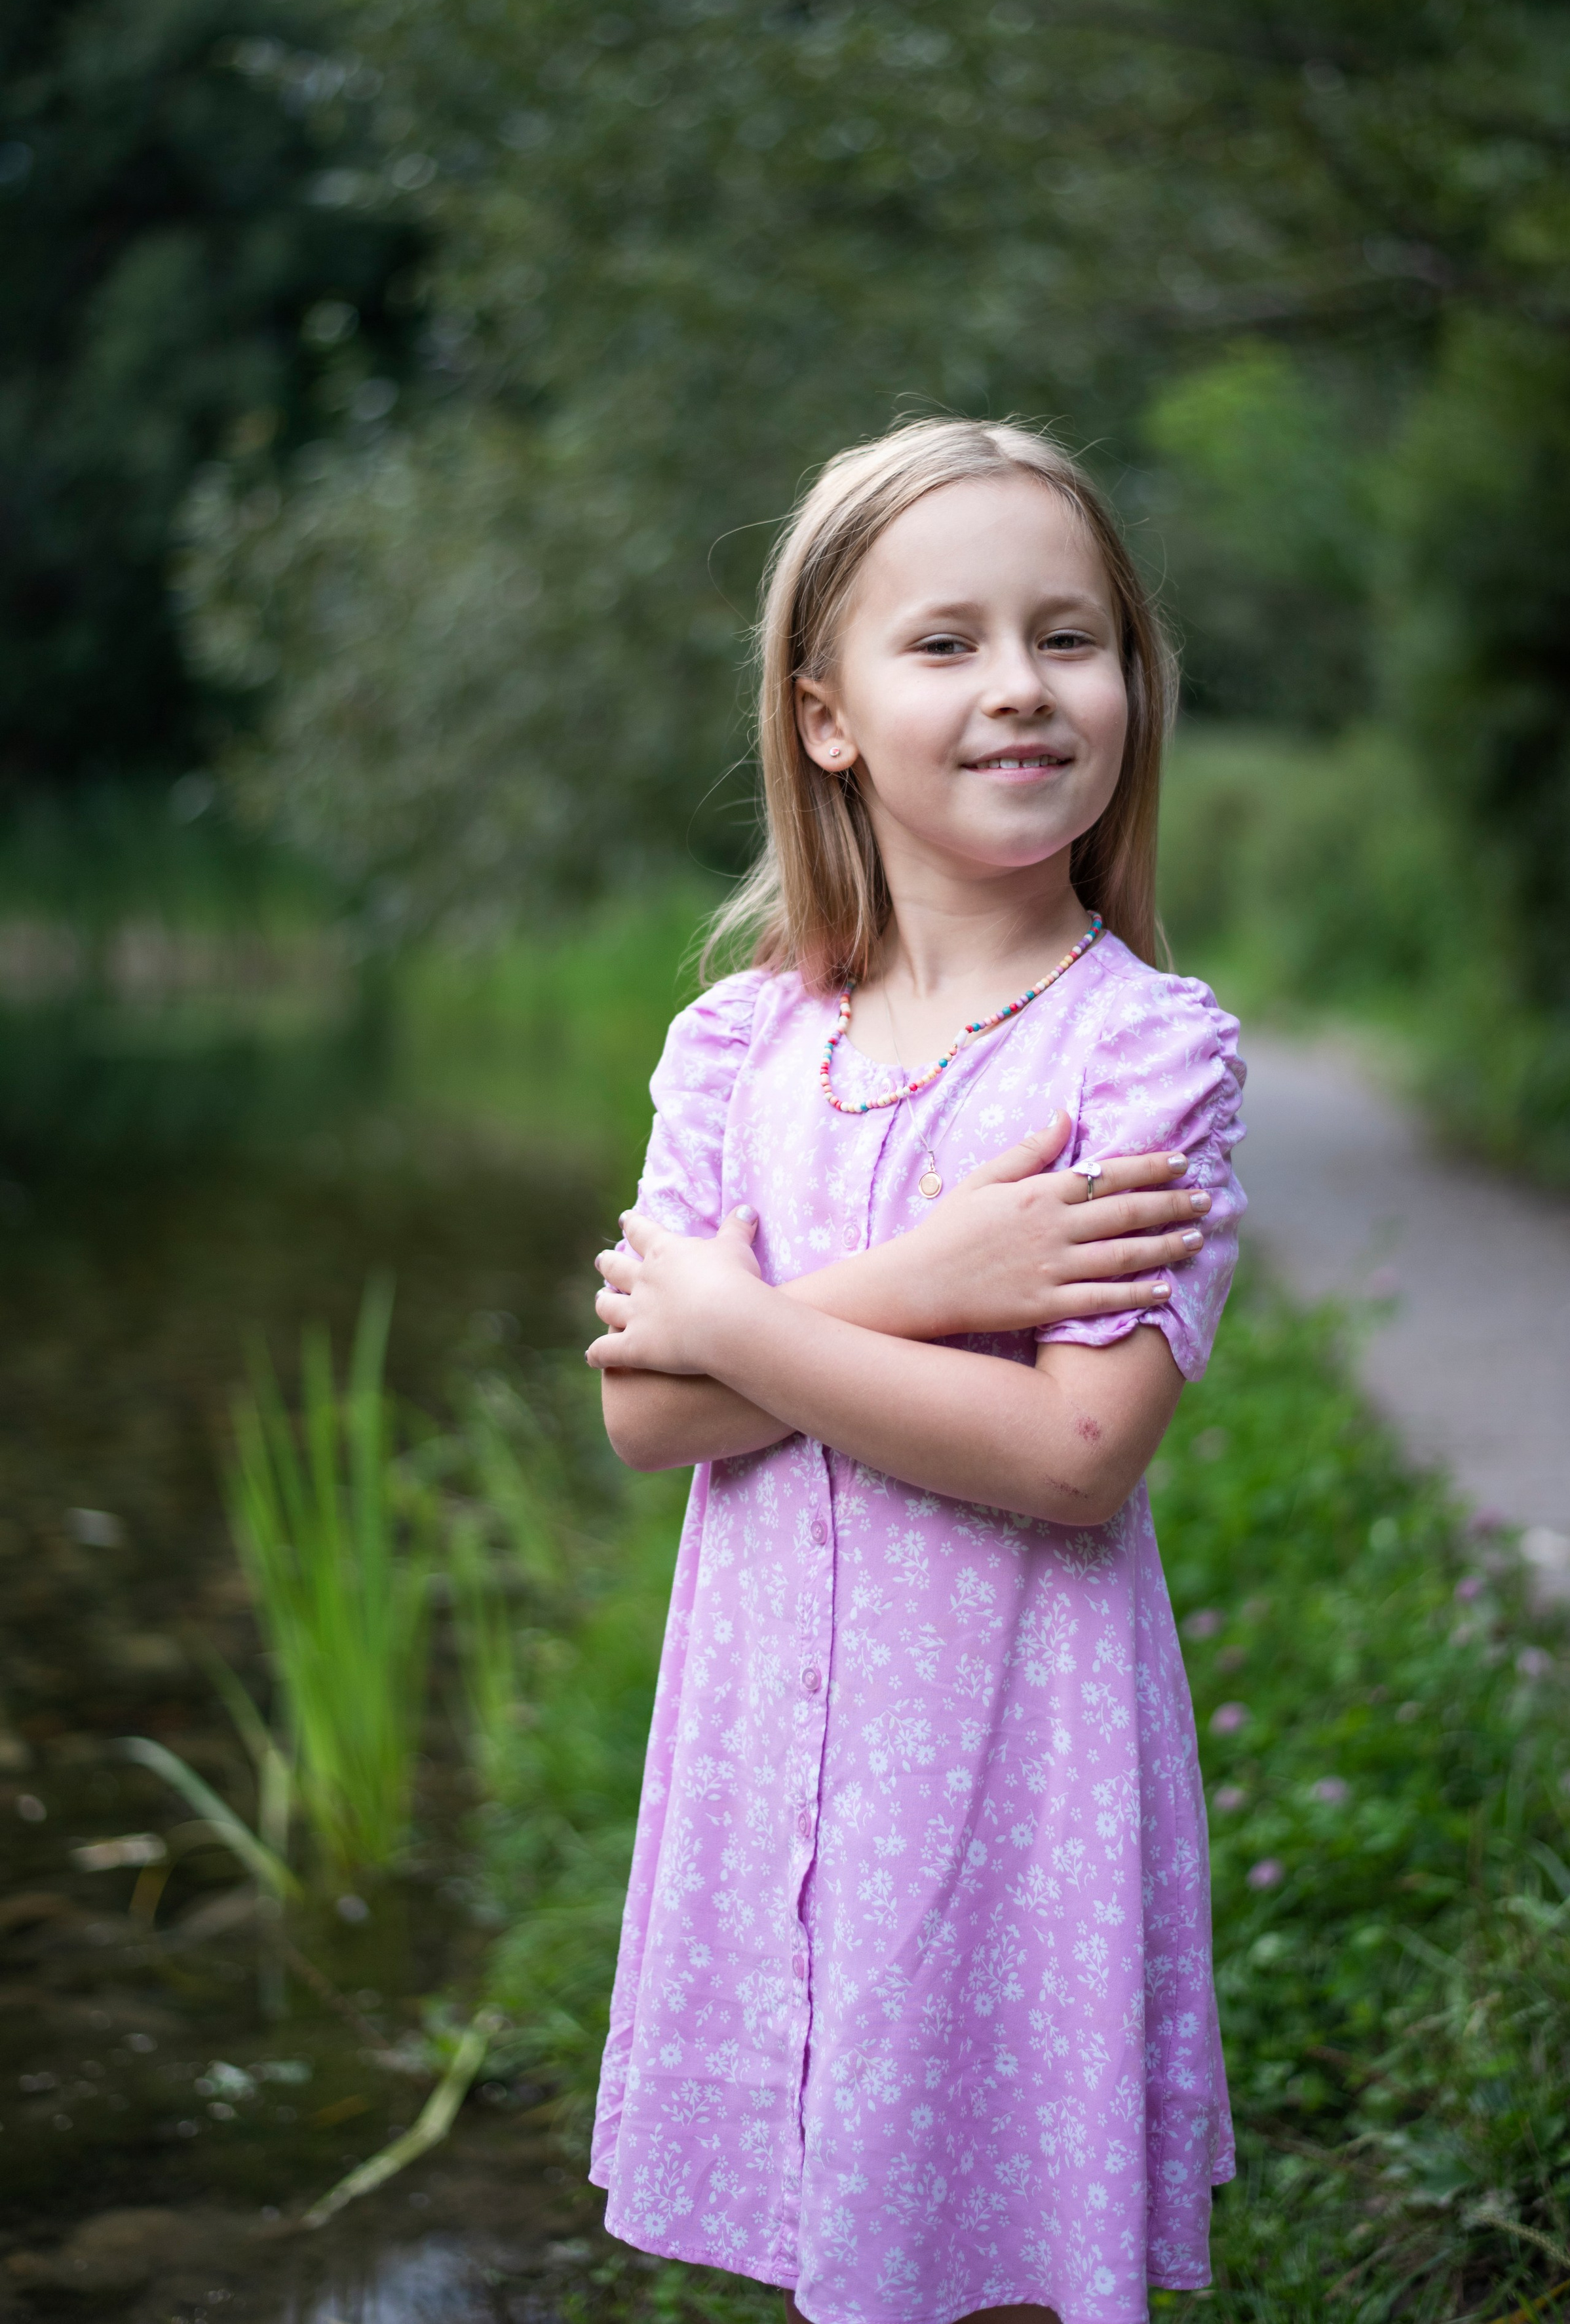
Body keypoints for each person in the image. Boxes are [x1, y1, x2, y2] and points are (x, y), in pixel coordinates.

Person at [584, 418, 1246, 2324]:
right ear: (827, 715)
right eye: (944, 643)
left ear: (1133, 683)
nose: (1023, 688)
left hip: (1006, 1778)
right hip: (774, 1759)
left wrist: (746, 1321)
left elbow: (1068, 1449)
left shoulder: (1143, 1058)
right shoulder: (735, 1048)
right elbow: (649, 1411)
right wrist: (933, 1277)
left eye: (1072, 637)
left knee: (1011, 2265)